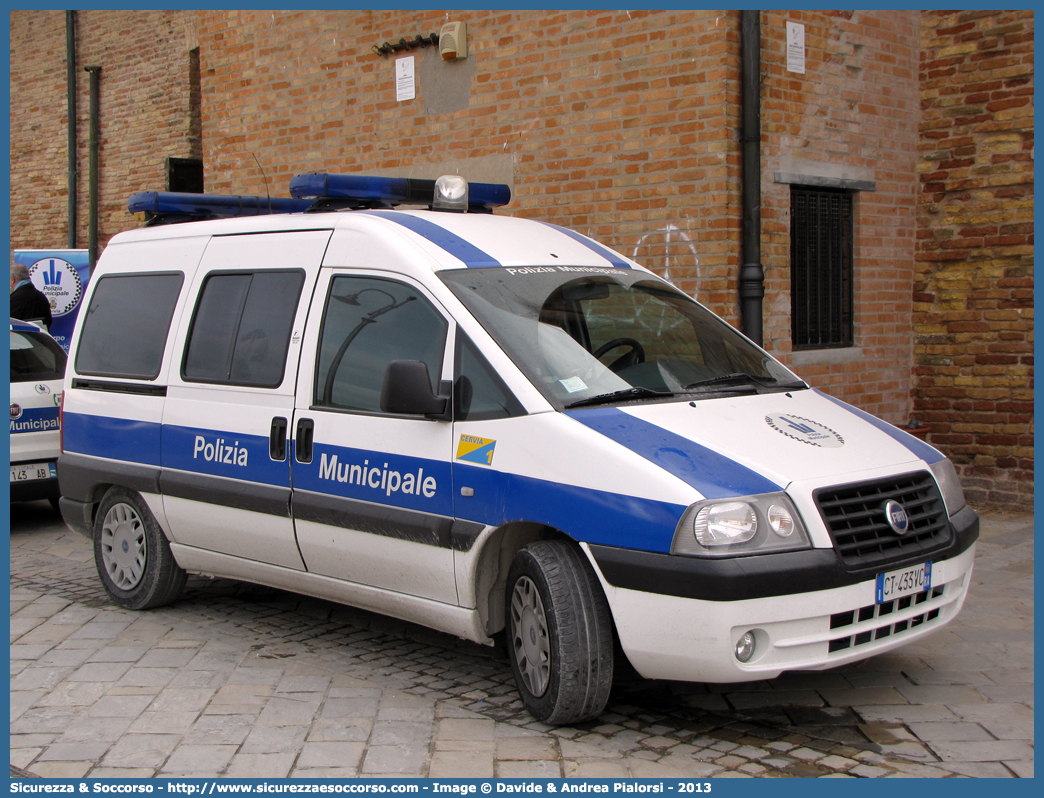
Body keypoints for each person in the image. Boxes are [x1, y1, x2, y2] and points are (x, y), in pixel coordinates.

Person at [10, 263, 52, 328]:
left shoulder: (15, 298)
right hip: (41, 336)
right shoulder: (41, 297)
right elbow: (48, 321)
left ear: (12, 279)